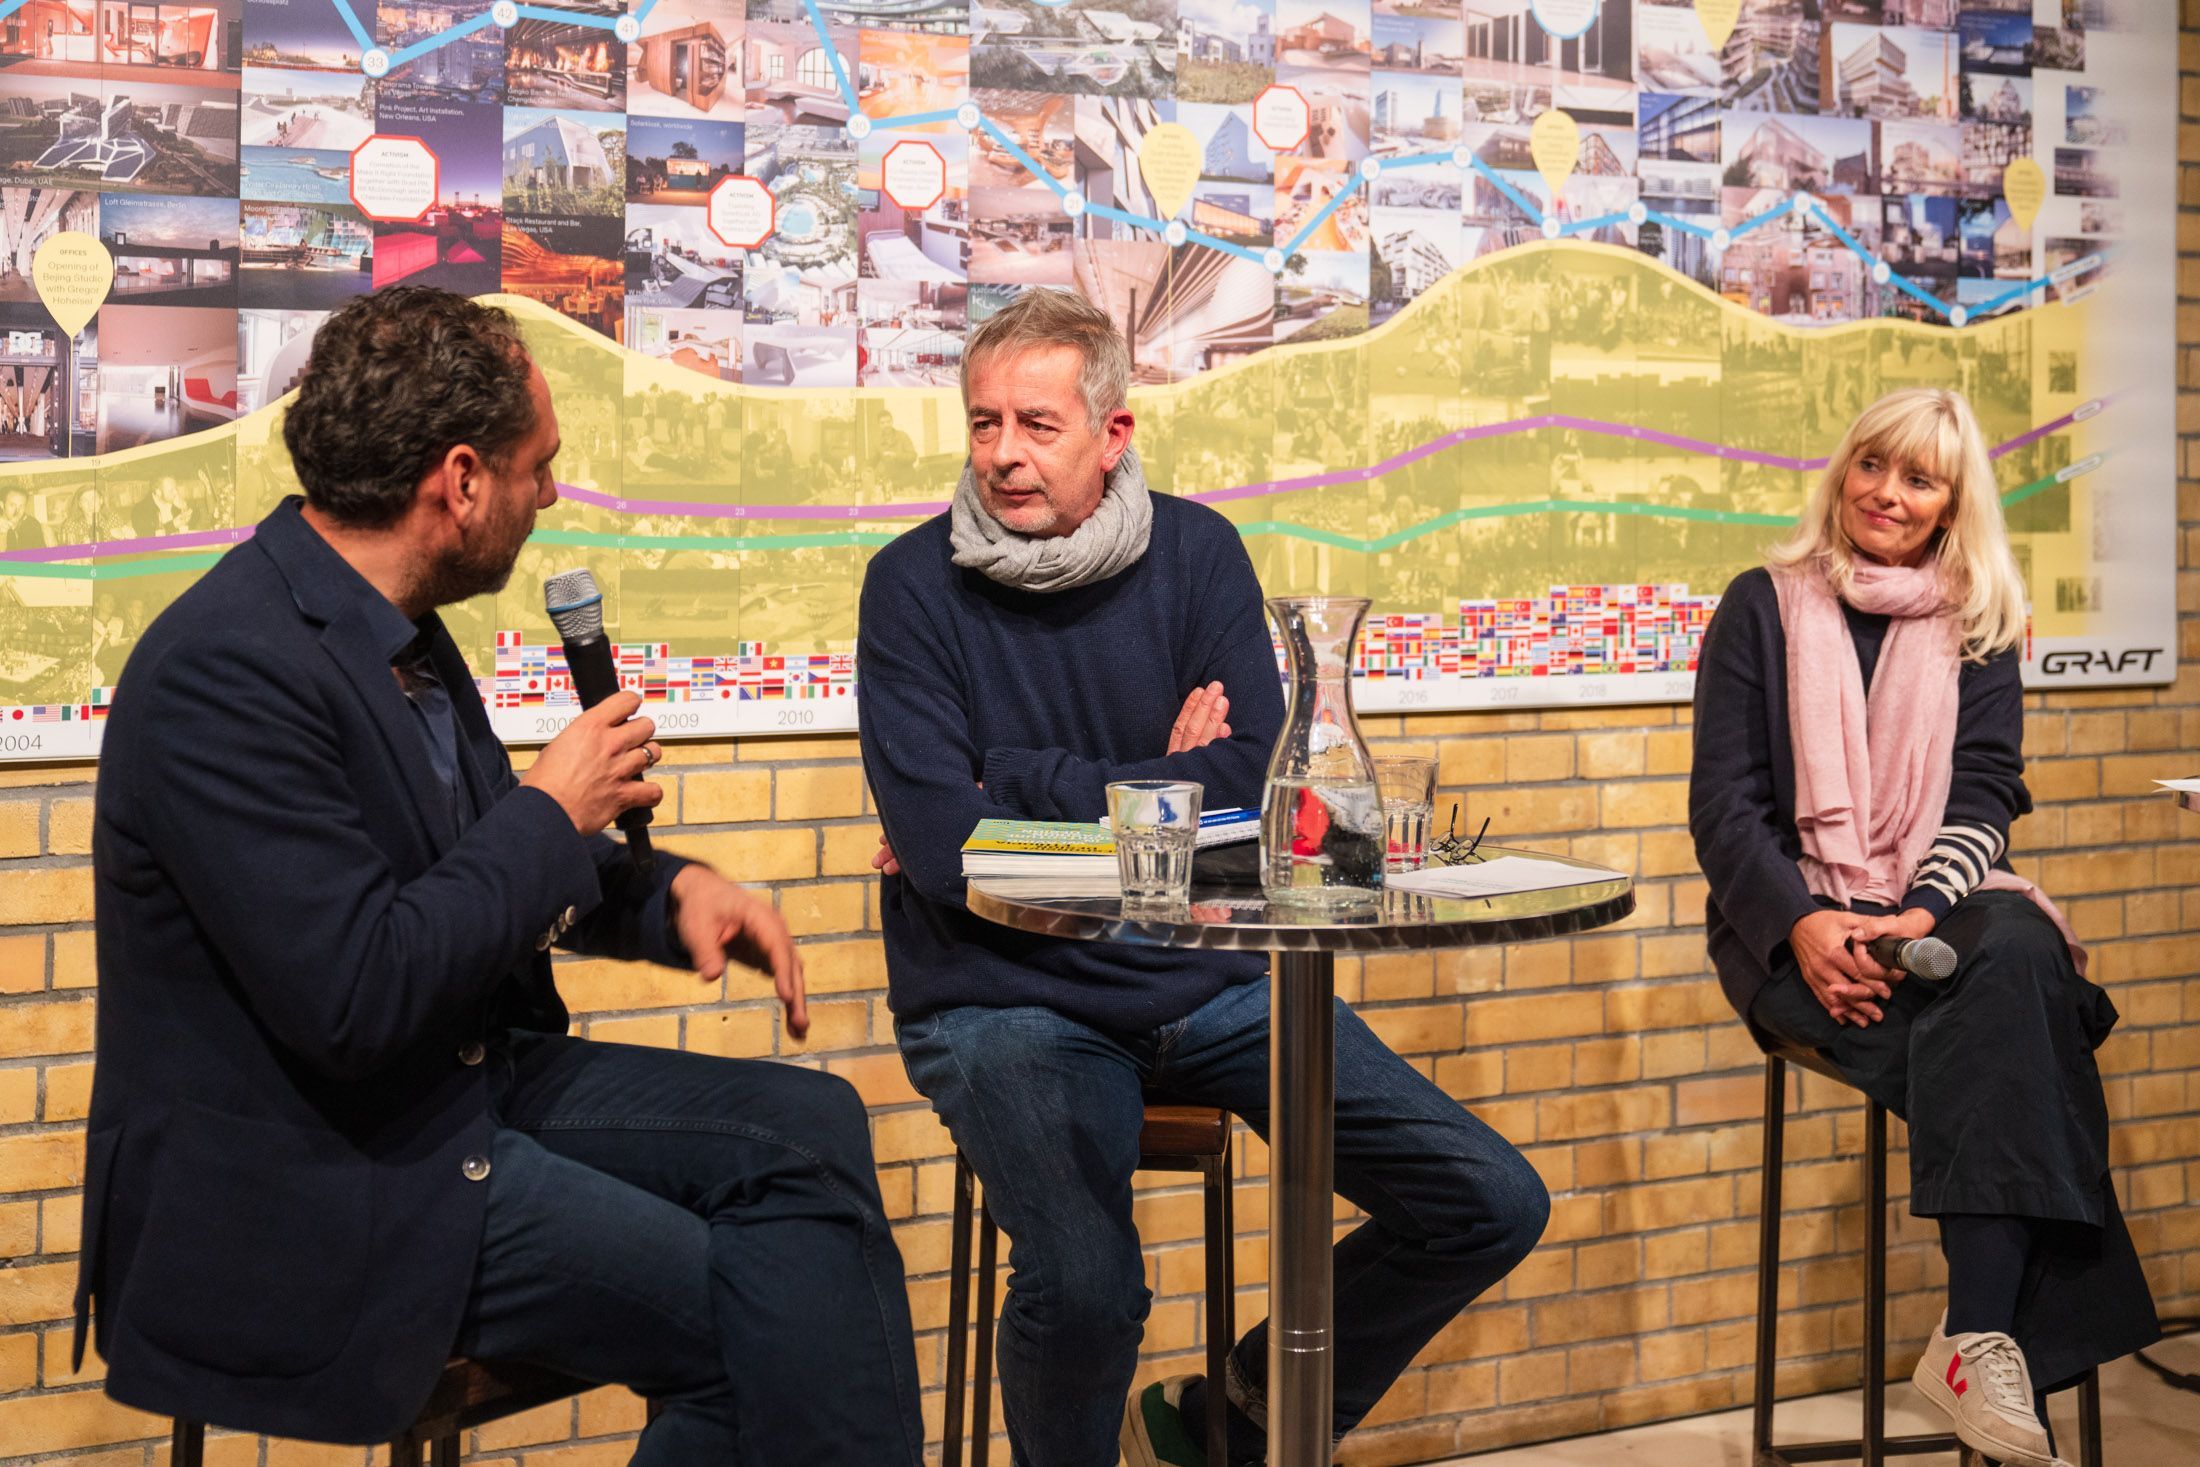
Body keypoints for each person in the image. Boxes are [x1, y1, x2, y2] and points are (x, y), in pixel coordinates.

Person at [80, 286, 924, 1463]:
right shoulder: (223, 673)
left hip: (460, 1088)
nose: (552, 496)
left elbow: (478, 867)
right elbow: (359, 994)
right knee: (768, 1318)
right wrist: (550, 807)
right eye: (540, 469)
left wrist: (659, 898)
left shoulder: (397, 633)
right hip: (315, 1175)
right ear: (463, 481)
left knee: (813, 1127)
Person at [857, 287, 1549, 1467]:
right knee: (1085, 1286)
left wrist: (1013, 778)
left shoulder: (1197, 554)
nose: (1003, 453)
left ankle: (1227, 1422)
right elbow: (939, 851)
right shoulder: (911, 587)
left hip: (1208, 980)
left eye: (1036, 424)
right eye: (984, 423)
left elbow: (1253, 787)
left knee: (1488, 1202)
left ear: (1112, 433)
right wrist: (1155, 786)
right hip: (1003, 995)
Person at [1688, 387, 2158, 1467]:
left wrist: (1919, 911)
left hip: (1925, 908)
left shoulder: (1976, 619)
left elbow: (1985, 793)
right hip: (1792, 930)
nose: (1886, 494)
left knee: (2015, 952)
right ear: (1842, 472)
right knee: (2027, 1037)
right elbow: (1725, 808)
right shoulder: (1763, 605)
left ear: (1952, 502)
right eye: (1872, 466)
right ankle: (1987, 1354)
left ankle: (1978, 1337)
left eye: (1917, 478)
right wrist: (1804, 927)